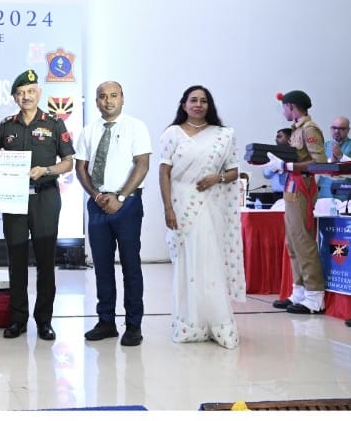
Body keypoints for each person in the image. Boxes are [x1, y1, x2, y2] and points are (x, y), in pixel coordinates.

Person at [158, 85, 245, 349]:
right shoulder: (172, 134)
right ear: (184, 104)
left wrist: (217, 177)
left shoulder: (223, 135)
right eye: (193, 100)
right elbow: (164, 172)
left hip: (210, 205)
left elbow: (234, 171)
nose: (198, 105)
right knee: (186, 263)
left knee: (210, 261)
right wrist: (168, 208)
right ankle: (191, 324)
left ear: (209, 105)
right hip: (181, 203)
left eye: (203, 101)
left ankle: (218, 324)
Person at [0, 69, 74, 341]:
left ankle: (44, 321)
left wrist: (47, 170)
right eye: (20, 93)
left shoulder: (54, 123)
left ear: (38, 93)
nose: (25, 96)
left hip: (45, 197)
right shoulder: (7, 125)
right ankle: (17, 319)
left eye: (30, 91)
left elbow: (68, 162)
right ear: (14, 97)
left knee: (45, 261)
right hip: (14, 199)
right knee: (16, 261)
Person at [74, 81, 151, 347]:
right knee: (102, 267)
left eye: (113, 95)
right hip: (97, 204)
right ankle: (106, 321)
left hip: (127, 204)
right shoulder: (89, 131)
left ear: (122, 98)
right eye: (103, 96)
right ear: (96, 101)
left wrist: (120, 197)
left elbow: (142, 164)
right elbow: (81, 168)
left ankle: (133, 325)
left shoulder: (136, 127)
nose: (108, 101)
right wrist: (97, 195)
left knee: (131, 266)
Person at [262, 90, 327, 314]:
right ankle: (299, 291)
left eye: (284, 107)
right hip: (291, 187)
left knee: (303, 242)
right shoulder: (297, 129)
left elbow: (319, 163)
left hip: (303, 188)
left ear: (290, 106)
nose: (283, 112)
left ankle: (315, 295)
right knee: (292, 243)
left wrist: (286, 166)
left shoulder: (310, 129)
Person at [318, 116, 351, 198]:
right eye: (334, 128)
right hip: (324, 193)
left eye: (341, 129)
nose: (336, 131)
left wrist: (340, 156)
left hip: (345, 194)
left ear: (348, 130)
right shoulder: (325, 145)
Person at [262, 127, 292, 198]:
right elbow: (267, 174)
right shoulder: (272, 155)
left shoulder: (298, 154)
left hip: (293, 193)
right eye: (276, 137)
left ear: (289, 138)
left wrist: (283, 165)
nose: (276, 139)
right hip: (277, 194)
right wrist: (276, 165)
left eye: (279, 136)